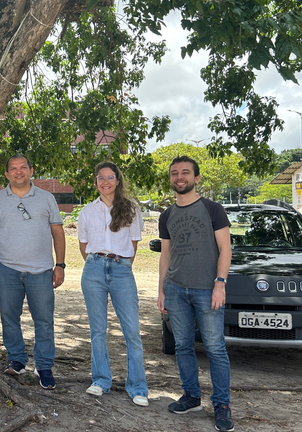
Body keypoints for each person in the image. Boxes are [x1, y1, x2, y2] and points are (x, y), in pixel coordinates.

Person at [157, 156, 233, 432]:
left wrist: (220, 283)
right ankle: (191, 396)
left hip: (207, 290)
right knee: (183, 346)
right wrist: (161, 289)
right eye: (174, 173)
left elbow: (225, 249)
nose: (179, 177)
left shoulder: (213, 209)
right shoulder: (166, 215)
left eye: (185, 172)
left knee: (215, 348)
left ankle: (222, 405)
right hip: (176, 289)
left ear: (196, 178)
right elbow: (165, 255)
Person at [0, 154, 65, 390]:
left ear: (31, 170)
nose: (18, 172)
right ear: (6, 174)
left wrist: (60, 265)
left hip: (41, 271)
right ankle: (17, 360)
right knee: (9, 318)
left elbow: (58, 232)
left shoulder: (46, 198)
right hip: (6, 270)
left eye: (23, 167)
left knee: (44, 320)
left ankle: (44, 366)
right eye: (13, 168)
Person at [78, 161, 149, 407]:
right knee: (97, 330)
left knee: (132, 331)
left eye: (110, 177)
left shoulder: (131, 209)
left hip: (121, 271)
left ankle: (137, 386)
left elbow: (134, 244)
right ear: (96, 181)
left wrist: (121, 266)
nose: (105, 182)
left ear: (118, 181)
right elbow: (83, 246)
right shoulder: (87, 211)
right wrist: (97, 265)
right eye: (101, 177)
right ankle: (100, 380)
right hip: (93, 270)